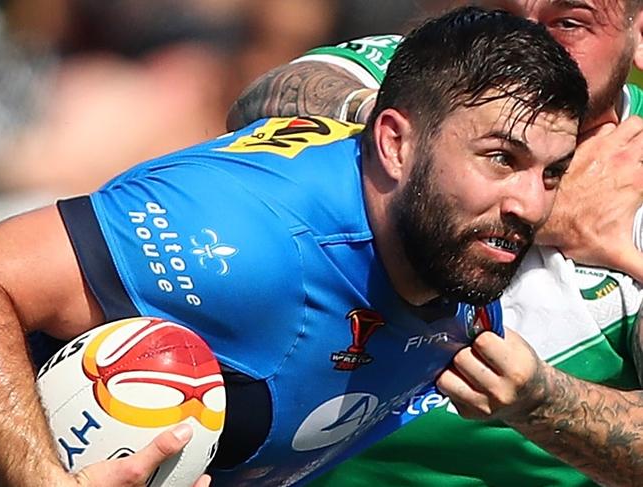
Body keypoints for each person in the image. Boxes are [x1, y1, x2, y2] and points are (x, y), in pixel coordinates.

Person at [0, 7, 586, 487]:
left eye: (551, 174)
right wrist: (38, 476)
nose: (530, 205)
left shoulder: (462, 264)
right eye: (500, 159)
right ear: (396, 145)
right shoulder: (243, 241)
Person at [227, 0, 643, 486]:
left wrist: (542, 400)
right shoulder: (450, 68)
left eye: (567, 24)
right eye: (510, 11)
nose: (527, 41)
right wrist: (440, 138)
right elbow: (259, 103)